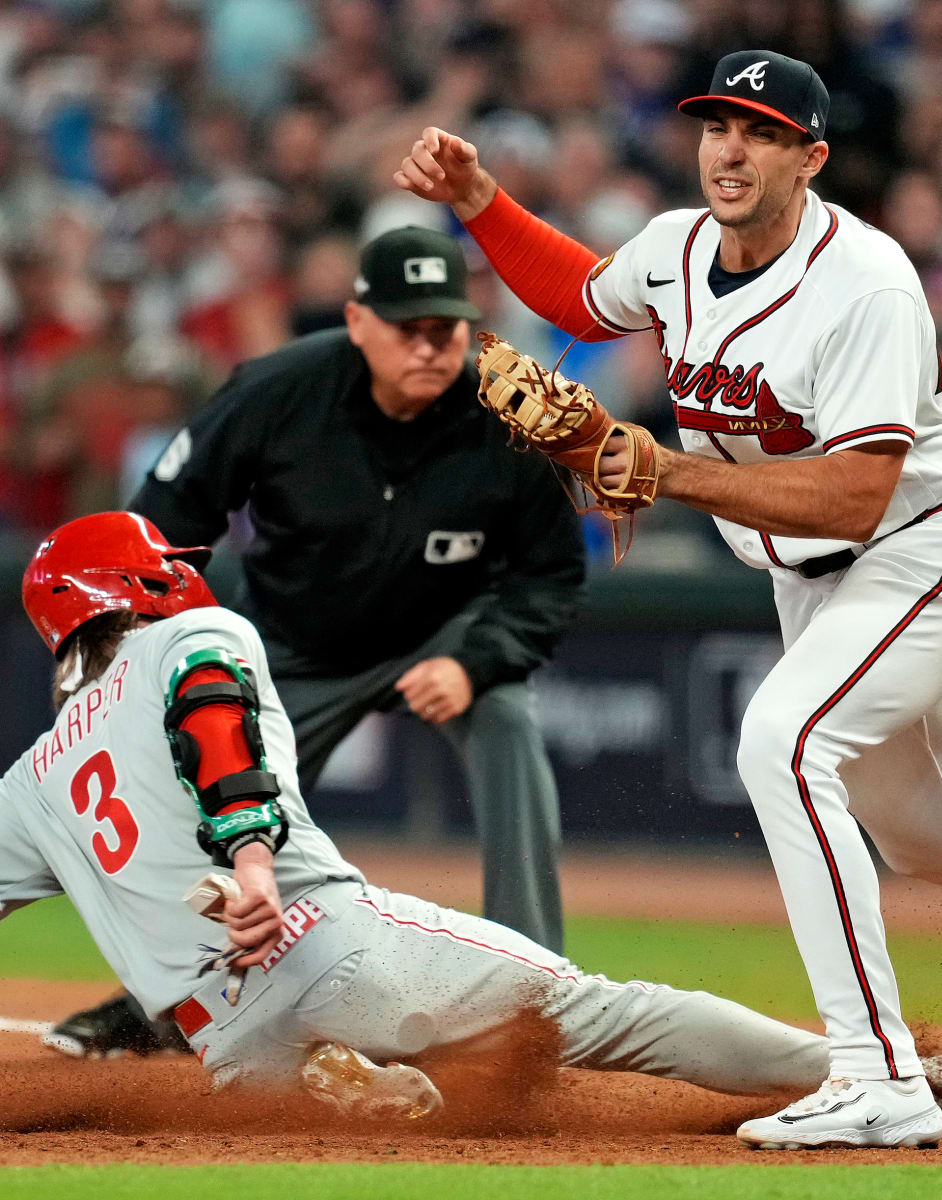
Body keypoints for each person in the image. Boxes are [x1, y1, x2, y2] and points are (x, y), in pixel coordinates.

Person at [393, 49, 942, 1150]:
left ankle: (878, 1076)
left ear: (812, 157)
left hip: (925, 555)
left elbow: (862, 496)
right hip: (813, 581)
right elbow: (578, 293)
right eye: (718, 125)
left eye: (763, 132)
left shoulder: (865, 285)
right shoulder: (679, 248)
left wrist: (663, 469)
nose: (731, 148)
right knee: (932, 837)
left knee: (781, 740)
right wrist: (481, 202)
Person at [4, 512, 942, 1127]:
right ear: (136, 587)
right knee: (612, 1015)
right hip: (325, 946)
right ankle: (880, 1071)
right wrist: (252, 860)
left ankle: (336, 1083)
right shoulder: (194, 632)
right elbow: (211, 715)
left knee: (377, 1066)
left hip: (229, 1050)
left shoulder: (35, 779)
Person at [46, 226, 585, 1059]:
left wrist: (475, 661)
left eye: (444, 326)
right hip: (297, 641)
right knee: (220, 794)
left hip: (448, 631)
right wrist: (145, 645)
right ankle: (164, 1006)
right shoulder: (278, 389)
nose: (428, 344)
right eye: (406, 325)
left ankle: (539, 996)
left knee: (509, 724)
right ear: (357, 320)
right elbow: (165, 524)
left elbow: (548, 573)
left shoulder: (509, 413)